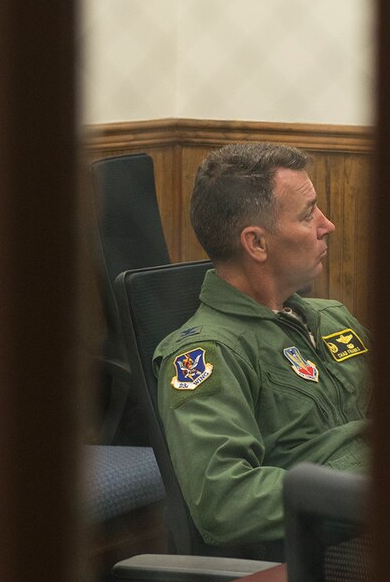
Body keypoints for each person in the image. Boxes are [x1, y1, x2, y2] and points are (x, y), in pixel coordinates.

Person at [153, 142, 371, 548]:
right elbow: (226, 501)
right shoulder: (208, 354)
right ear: (256, 244)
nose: (328, 225)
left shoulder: (331, 317)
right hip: (326, 560)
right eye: (308, 215)